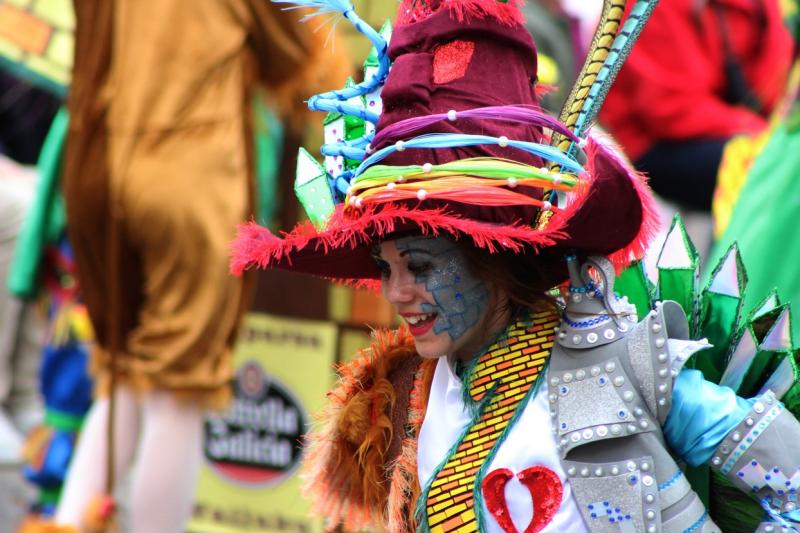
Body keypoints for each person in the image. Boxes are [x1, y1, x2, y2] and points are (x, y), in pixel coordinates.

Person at [231, 0, 800, 531]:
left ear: (495, 257)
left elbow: (792, 479)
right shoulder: (408, 395)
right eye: (386, 269)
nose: (397, 293)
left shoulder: (618, 365)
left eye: (422, 266)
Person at [20, 1, 346, 532]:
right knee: (181, 392)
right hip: (187, 177)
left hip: (98, 169)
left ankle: (71, 523)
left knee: (120, 369)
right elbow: (290, 56)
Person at [600, 0, 793, 213]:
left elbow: (773, 76)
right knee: (774, 172)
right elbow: (670, 109)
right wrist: (762, 133)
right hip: (652, 145)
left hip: (723, 123)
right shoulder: (651, 7)